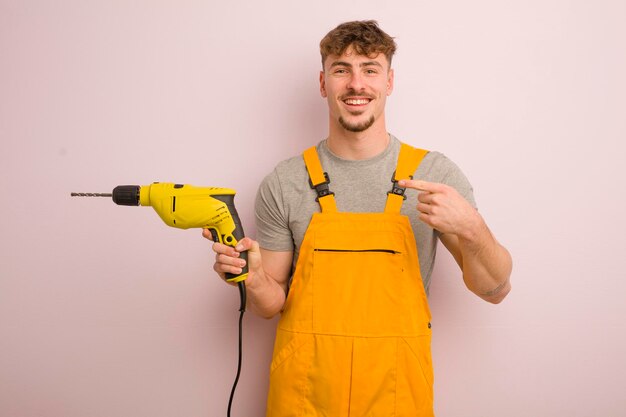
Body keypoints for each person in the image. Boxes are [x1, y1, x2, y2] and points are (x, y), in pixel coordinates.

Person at [205, 20, 512, 417]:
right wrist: (253, 274)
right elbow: (269, 304)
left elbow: (496, 289)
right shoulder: (285, 181)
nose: (356, 84)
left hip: (396, 391)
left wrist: (471, 227)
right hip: (305, 393)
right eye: (341, 70)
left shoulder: (433, 176)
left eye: (370, 69)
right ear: (323, 83)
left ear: (389, 81)